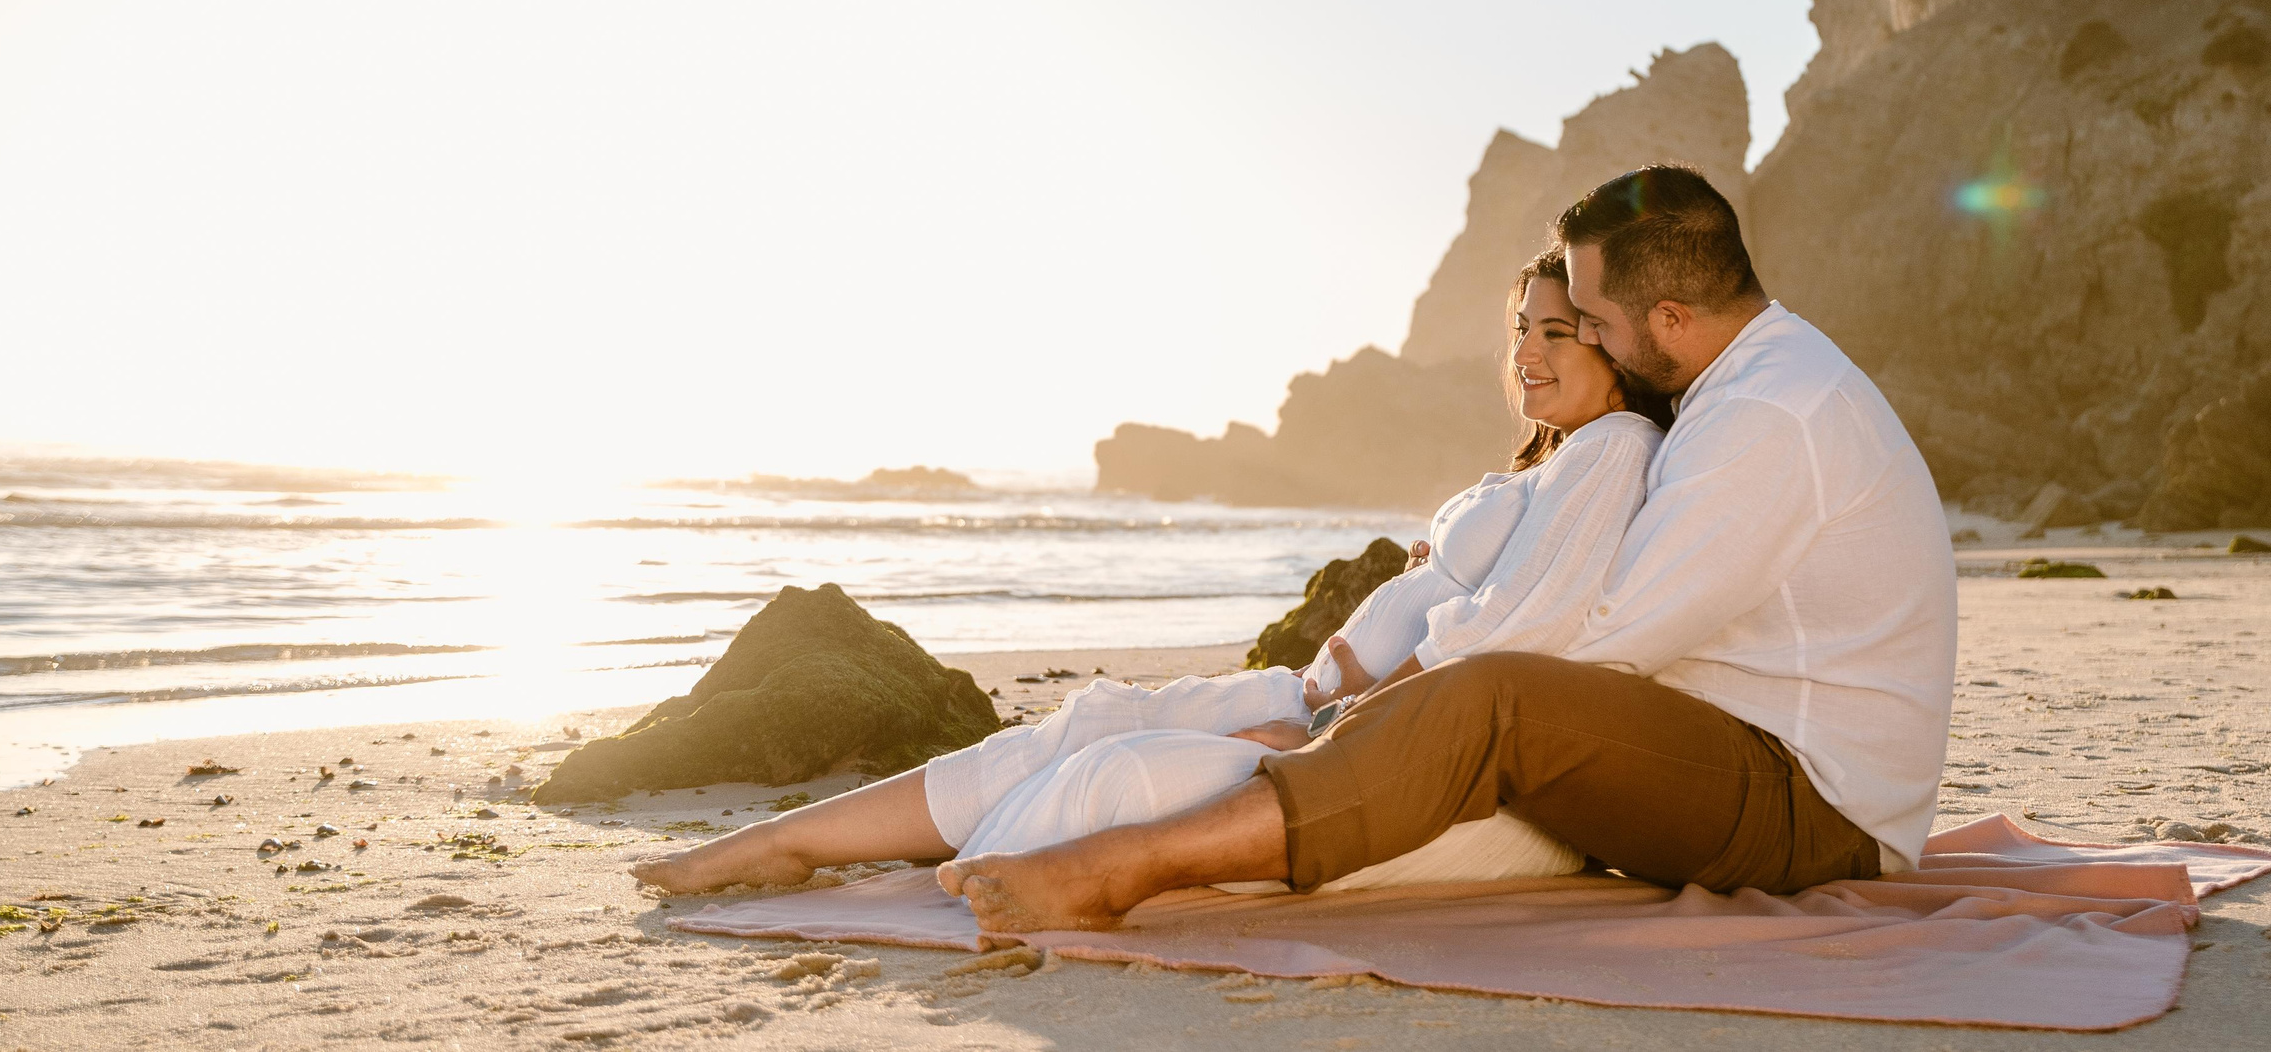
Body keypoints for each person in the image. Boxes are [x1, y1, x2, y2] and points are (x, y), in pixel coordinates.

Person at [939, 163, 1956, 933]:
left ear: (1672, 318)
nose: (1585, 341)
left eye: (1594, 323)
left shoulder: (1766, 417)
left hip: (1815, 806)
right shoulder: (1754, 379)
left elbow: (1608, 639)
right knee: (1486, 690)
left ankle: (1123, 868)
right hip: (1762, 759)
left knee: (1498, 696)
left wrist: (1364, 727)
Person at [630, 250, 1665, 895]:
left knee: (1107, 770)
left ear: (1618, 347)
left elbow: (1515, 634)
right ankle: (788, 844)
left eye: (1557, 331)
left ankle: (953, 868)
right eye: (1519, 328)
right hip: (1321, 702)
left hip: (1374, 740)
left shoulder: (1614, 447)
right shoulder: (1554, 460)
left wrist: (1329, 729)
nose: (1526, 351)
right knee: (1089, 717)